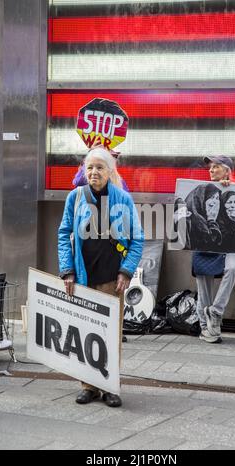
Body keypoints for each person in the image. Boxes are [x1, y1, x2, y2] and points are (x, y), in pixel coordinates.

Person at [58, 146, 143, 406]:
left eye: (100, 167)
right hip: (83, 278)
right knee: (85, 332)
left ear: (110, 171)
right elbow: (63, 234)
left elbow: (137, 239)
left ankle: (109, 387)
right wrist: (67, 270)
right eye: (90, 167)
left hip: (111, 280)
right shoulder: (75, 197)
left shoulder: (123, 199)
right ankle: (88, 386)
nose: (94, 172)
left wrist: (126, 271)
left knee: (110, 334)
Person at [192, 155, 235, 344]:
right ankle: (206, 327)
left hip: (230, 245)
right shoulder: (202, 192)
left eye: (216, 167)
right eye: (210, 167)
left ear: (228, 170)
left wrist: (231, 186)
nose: (211, 170)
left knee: (233, 268)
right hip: (205, 242)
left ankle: (216, 311)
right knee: (203, 283)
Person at [184, 183, 222, 251]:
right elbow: (208, 244)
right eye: (211, 197)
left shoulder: (220, 221)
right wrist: (211, 221)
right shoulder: (189, 221)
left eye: (217, 198)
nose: (215, 202)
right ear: (201, 200)